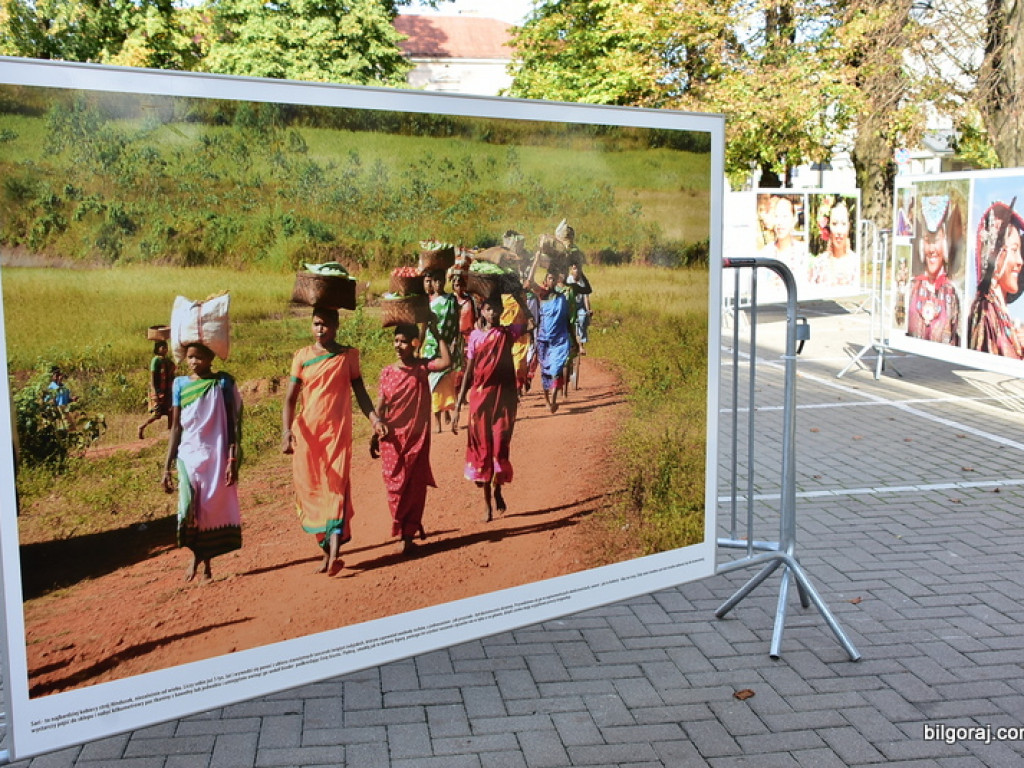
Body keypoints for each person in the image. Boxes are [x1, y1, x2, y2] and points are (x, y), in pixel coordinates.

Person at [282, 306, 386, 575]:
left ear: (337, 326)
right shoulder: (302, 357)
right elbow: (290, 399)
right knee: (312, 489)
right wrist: (286, 432)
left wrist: (375, 420)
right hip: (307, 436)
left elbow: (360, 391)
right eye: (316, 324)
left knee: (336, 487)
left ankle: (336, 554)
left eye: (325, 324)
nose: (320, 329)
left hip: (336, 434)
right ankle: (326, 550)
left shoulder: (347, 356)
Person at [161, 343, 242, 583]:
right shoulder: (179, 384)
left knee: (207, 511)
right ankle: (197, 554)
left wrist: (232, 457)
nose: (194, 362)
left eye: (199, 357)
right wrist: (166, 466)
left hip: (215, 455)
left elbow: (232, 424)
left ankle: (204, 562)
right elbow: (176, 427)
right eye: (190, 357)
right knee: (188, 508)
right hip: (188, 455)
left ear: (210, 358)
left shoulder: (223, 383)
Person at [453, 293, 532, 522]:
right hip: (480, 401)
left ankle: (498, 489)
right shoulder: (475, 337)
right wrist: (458, 406)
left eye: (497, 309)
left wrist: (520, 298)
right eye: (489, 309)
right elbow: (469, 372)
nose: (494, 313)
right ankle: (487, 504)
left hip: (503, 400)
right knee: (484, 452)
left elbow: (531, 323)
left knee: (499, 448)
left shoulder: (507, 334)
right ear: (482, 311)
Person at [374, 320, 451, 555]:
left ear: (414, 344)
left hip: (416, 438)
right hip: (391, 439)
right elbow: (381, 406)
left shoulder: (422, 367)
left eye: (404, 341)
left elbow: (446, 362)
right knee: (395, 486)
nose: (398, 345)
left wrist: (436, 333)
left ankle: (406, 535)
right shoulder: (387, 372)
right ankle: (403, 525)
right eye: (396, 340)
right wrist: (374, 431)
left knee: (414, 486)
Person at [968, 200, 1024, 359]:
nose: (1020, 261)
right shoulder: (987, 312)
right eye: (1014, 250)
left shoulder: (998, 312)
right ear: (996, 255)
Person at [906, 194, 961, 345]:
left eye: (936, 241)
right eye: (927, 241)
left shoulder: (953, 293)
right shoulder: (911, 289)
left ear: (945, 244)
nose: (931, 249)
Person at [422, 269, 460, 434]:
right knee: (434, 385)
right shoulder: (428, 302)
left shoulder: (451, 300)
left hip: (447, 346)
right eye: (434, 281)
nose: (437, 284)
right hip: (431, 348)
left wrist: (455, 343)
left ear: (444, 281)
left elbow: (456, 323)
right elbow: (424, 327)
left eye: (440, 280)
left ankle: (447, 411)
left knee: (446, 382)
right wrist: (418, 345)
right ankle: (437, 421)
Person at [534, 271, 572, 413]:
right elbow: (529, 282)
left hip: (559, 340)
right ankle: (547, 401)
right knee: (545, 372)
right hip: (543, 340)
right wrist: (536, 260)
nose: (552, 281)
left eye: (554, 279)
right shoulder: (542, 297)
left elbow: (567, 320)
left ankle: (554, 400)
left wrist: (574, 341)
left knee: (556, 370)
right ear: (545, 281)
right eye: (549, 278)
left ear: (556, 282)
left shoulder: (562, 299)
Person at [809, 199, 859, 288]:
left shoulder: (856, 263)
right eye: (835, 224)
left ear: (848, 226)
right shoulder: (819, 263)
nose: (839, 231)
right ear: (828, 227)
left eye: (843, 224)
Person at [138, 340, 176, 439]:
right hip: (158, 391)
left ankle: (170, 431)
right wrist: (155, 393)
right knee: (157, 414)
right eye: (163, 347)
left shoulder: (167, 361)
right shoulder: (155, 361)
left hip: (167, 391)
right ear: (157, 349)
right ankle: (142, 427)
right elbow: (152, 379)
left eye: (166, 347)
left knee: (170, 410)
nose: (165, 349)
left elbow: (172, 373)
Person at [566, 261, 593, 355]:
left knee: (582, 319)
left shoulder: (583, 282)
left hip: (580, 306)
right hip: (571, 306)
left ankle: (581, 346)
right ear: (571, 270)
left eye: (578, 268)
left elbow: (586, 297)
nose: (576, 271)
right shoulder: (568, 281)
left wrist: (588, 310)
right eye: (574, 269)